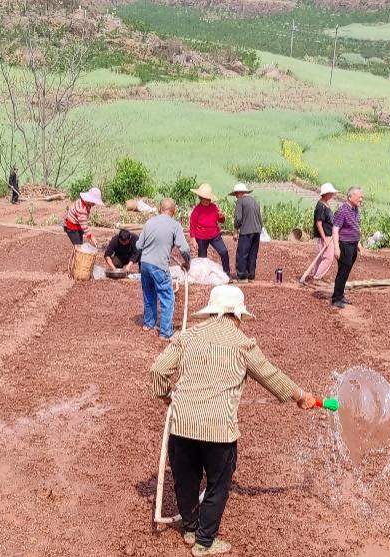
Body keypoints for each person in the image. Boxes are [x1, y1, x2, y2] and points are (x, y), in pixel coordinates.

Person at [149, 285, 317, 556]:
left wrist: (167, 397)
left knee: (186, 479)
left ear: (213, 310)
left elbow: (157, 370)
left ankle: (191, 529)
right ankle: (204, 542)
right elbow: (271, 376)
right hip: (219, 432)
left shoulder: (187, 336)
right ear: (237, 315)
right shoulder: (242, 344)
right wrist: (301, 396)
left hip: (182, 425)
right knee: (218, 484)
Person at [138, 198, 192, 340]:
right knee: (167, 298)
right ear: (173, 211)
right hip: (160, 266)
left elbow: (138, 246)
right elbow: (184, 248)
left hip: (144, 264)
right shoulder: (175, 225)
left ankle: (148, 324)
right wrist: (187, 262)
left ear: (159, 208)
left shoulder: (149, 223)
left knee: (149, 295)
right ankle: (165, 332)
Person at [330, 186, 364, 309]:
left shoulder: (355, 209)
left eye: (361, 196)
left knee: (347, 271)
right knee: (342, 271)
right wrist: (336, 248)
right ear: (350, 197)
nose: (362, 198)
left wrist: (358, 242)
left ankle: (341, 295)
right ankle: (336, 298)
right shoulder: (342, 210)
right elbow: (335, 229)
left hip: (353, 245)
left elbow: (356, 226)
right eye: (359, 196)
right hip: (344, 245)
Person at [299, 183, 338, 287]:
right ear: (326, 194)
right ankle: (317, 277)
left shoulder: (325, 204)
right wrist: (324, 238)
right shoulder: (321, 206)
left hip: (328, 235)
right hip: (325, 236)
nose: (333, 195)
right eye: (331, 193)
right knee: (328, 257)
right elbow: (319, 223)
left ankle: (313, 275)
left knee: (321, 257)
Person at [189, 183, 230, 276]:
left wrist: (222, 216)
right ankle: (201, 275)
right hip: (201, 237)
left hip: (215, 235)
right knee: (202, 258)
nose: (207, 201)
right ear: (201, 198)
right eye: (205, 199)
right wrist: (193, 239)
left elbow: (221, 220)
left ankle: (226, 273)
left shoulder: (214, 207)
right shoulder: (196, 210)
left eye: (209, 199)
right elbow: (192, 225)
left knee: (224, 252)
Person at [230, 184, 262, 282]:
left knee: (242, 254)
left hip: (246, 231)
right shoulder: (255, 201)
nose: (236, 196)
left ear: (239, 193)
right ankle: (251, 276)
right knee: (253, 254)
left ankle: (242, 276)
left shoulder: (240, 201)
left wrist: (235, 230)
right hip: (257, 231)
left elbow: (238, 219)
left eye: (236, 194)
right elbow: (260, 219)